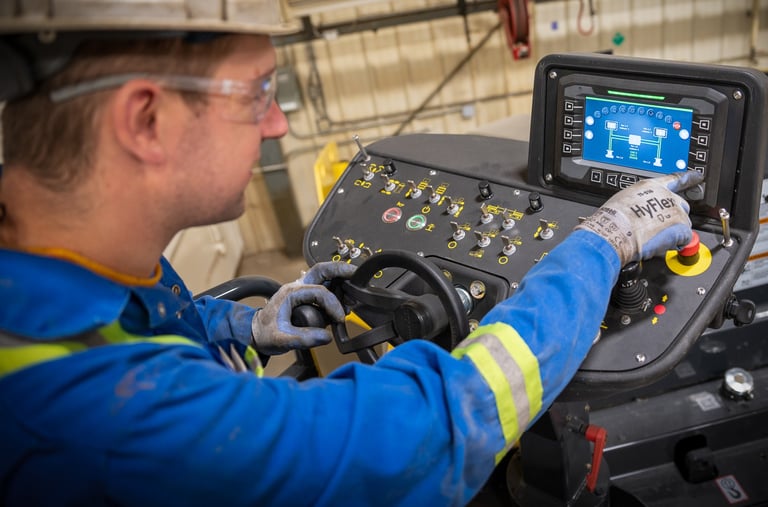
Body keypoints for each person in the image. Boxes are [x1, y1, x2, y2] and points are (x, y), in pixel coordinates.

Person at [0, 3, 702, 506]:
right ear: (146, 120)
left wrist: (236, 326)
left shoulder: (64, 268)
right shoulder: (109, 423)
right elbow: (434, 431)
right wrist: (600, 247)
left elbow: (135, 321)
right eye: (258, 94)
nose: (278, 124)